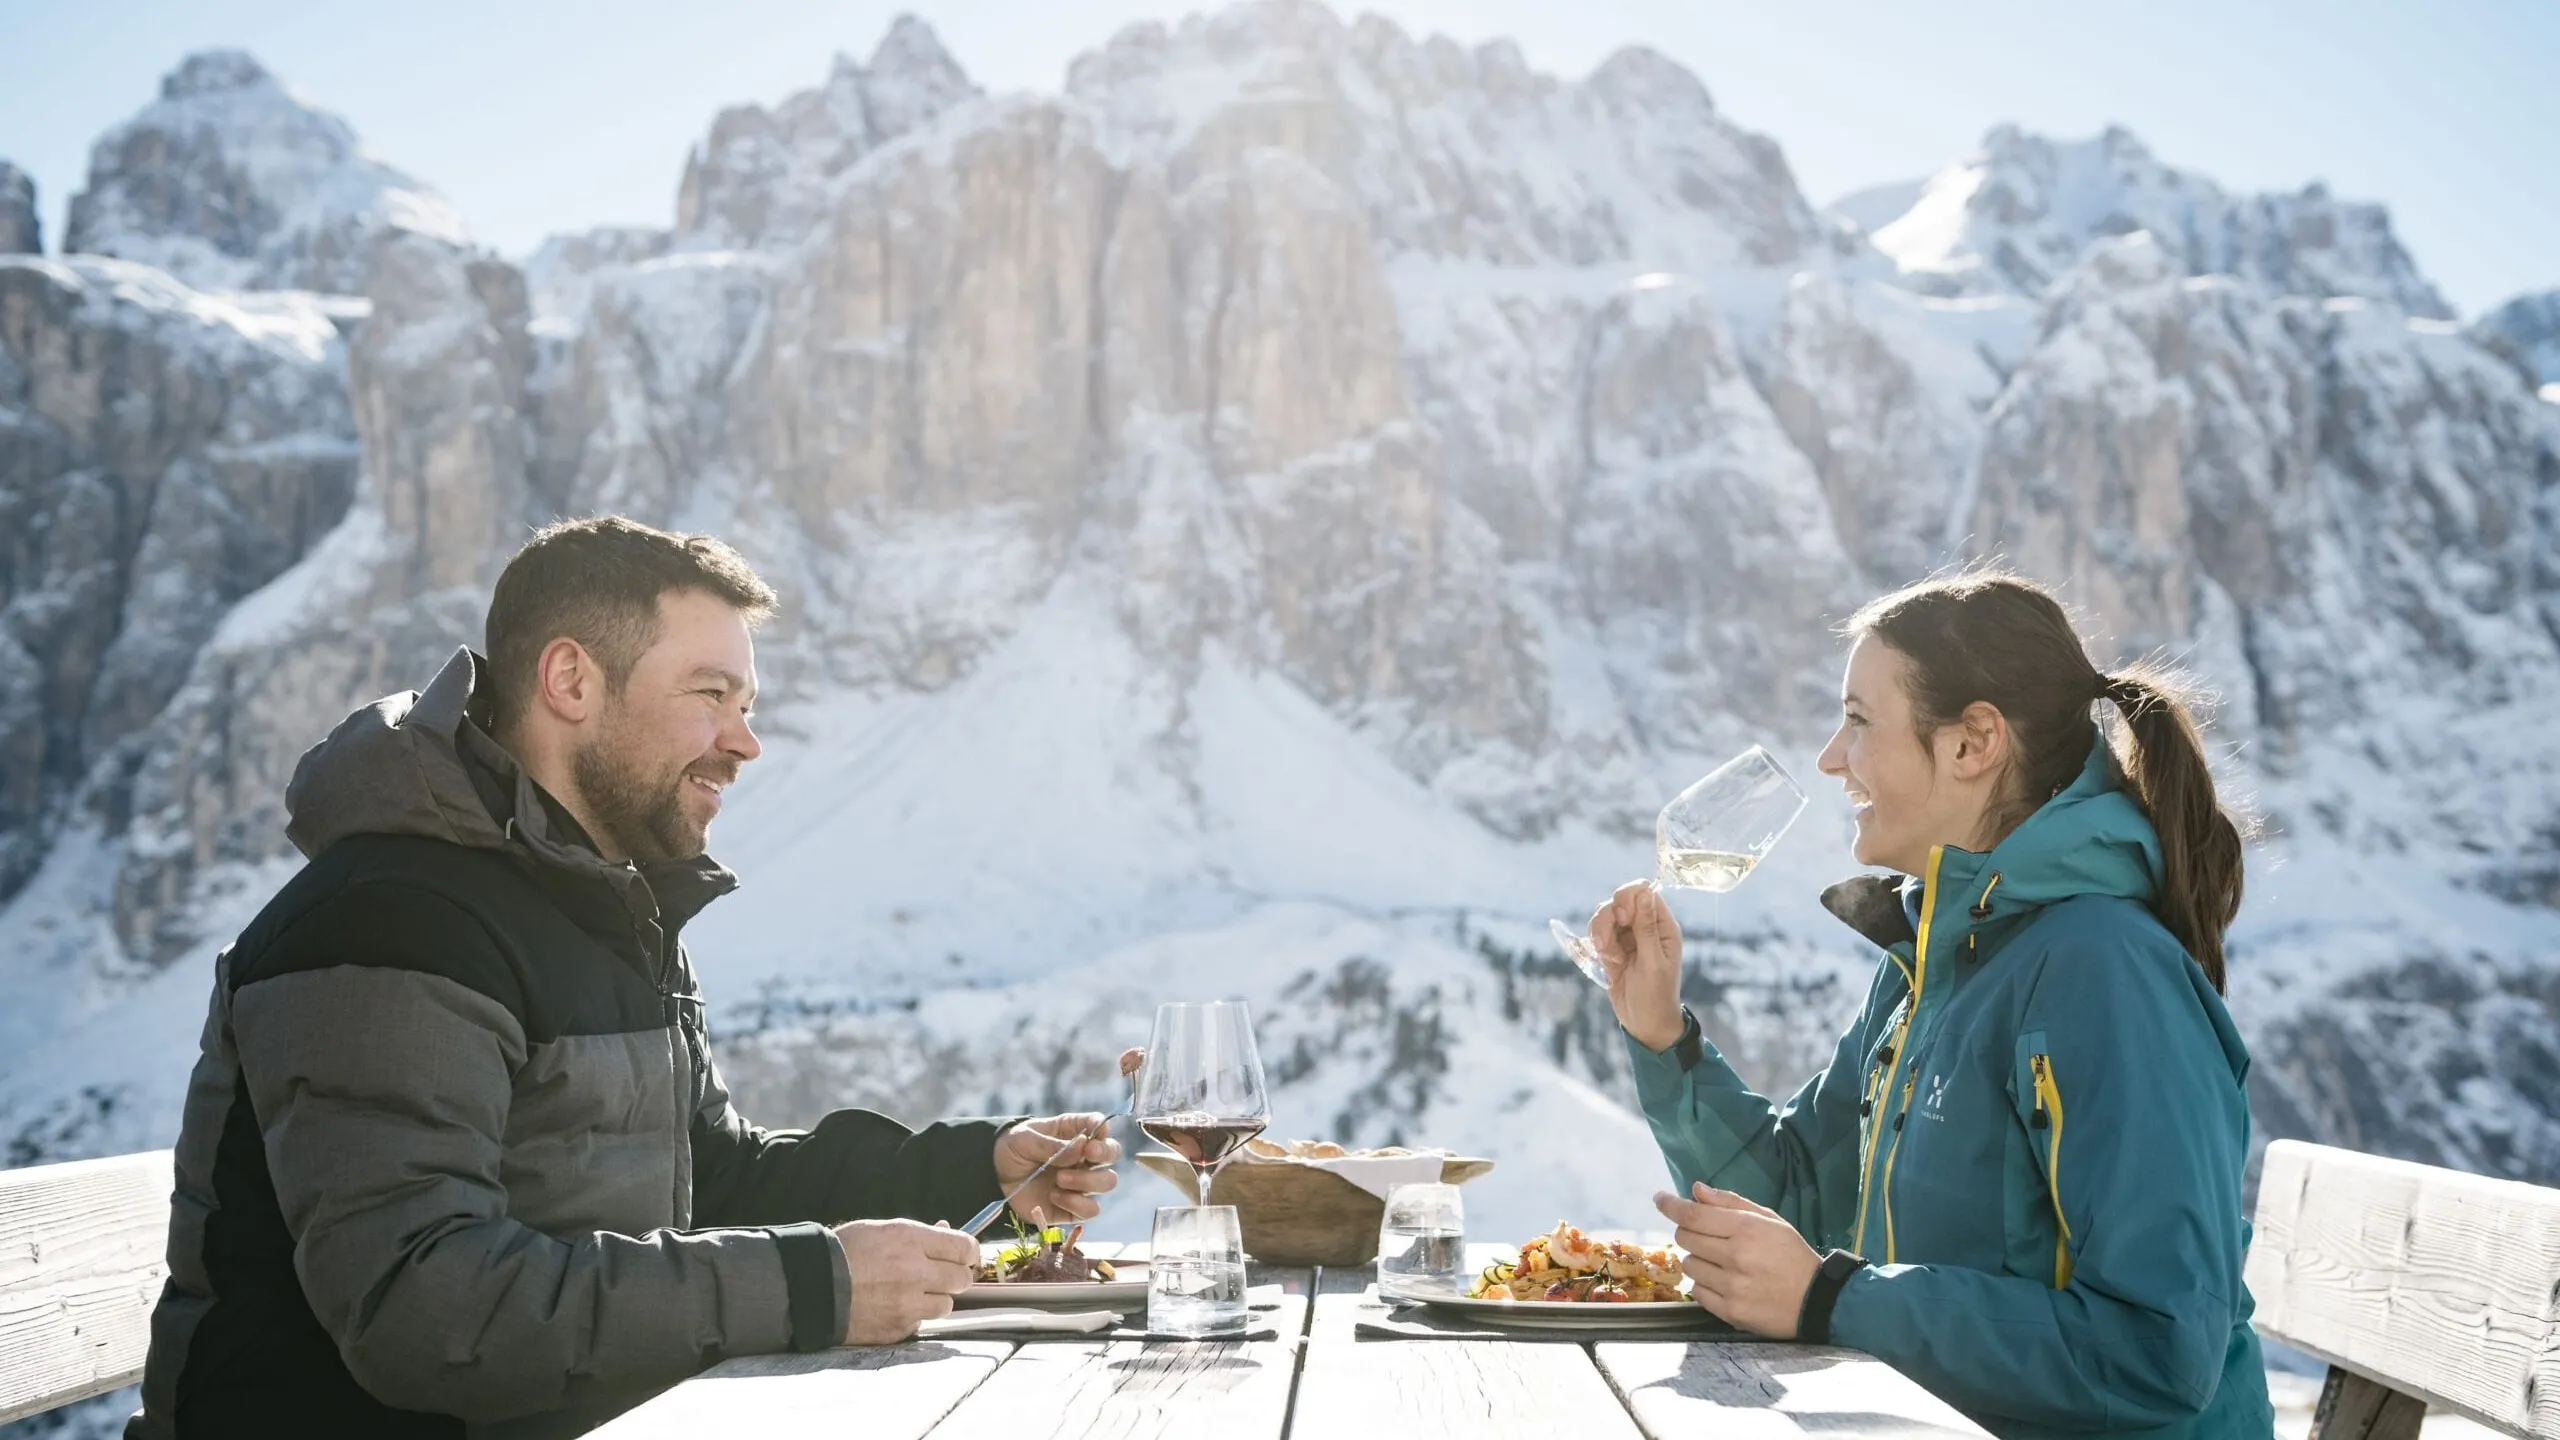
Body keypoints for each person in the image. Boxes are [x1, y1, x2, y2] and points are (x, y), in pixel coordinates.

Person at [131, 517, 1122, 1439]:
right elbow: (425, 1309)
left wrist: (973, 1168)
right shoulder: (391, 918)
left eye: (747, 705)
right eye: (710, 697)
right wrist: (817, 1281)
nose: (746, 741)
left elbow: (714, 1177)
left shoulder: (609, 907)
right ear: (571, 681)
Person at [1590, 572, 2272, 1438]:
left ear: (1972, 742)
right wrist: (1659, 1033)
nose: (1830, 758)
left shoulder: (2107, 974)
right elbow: (1800, 1198)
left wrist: (1835, 1299)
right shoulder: (1935, 963)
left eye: (1860, 721)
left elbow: (2159, 1347)